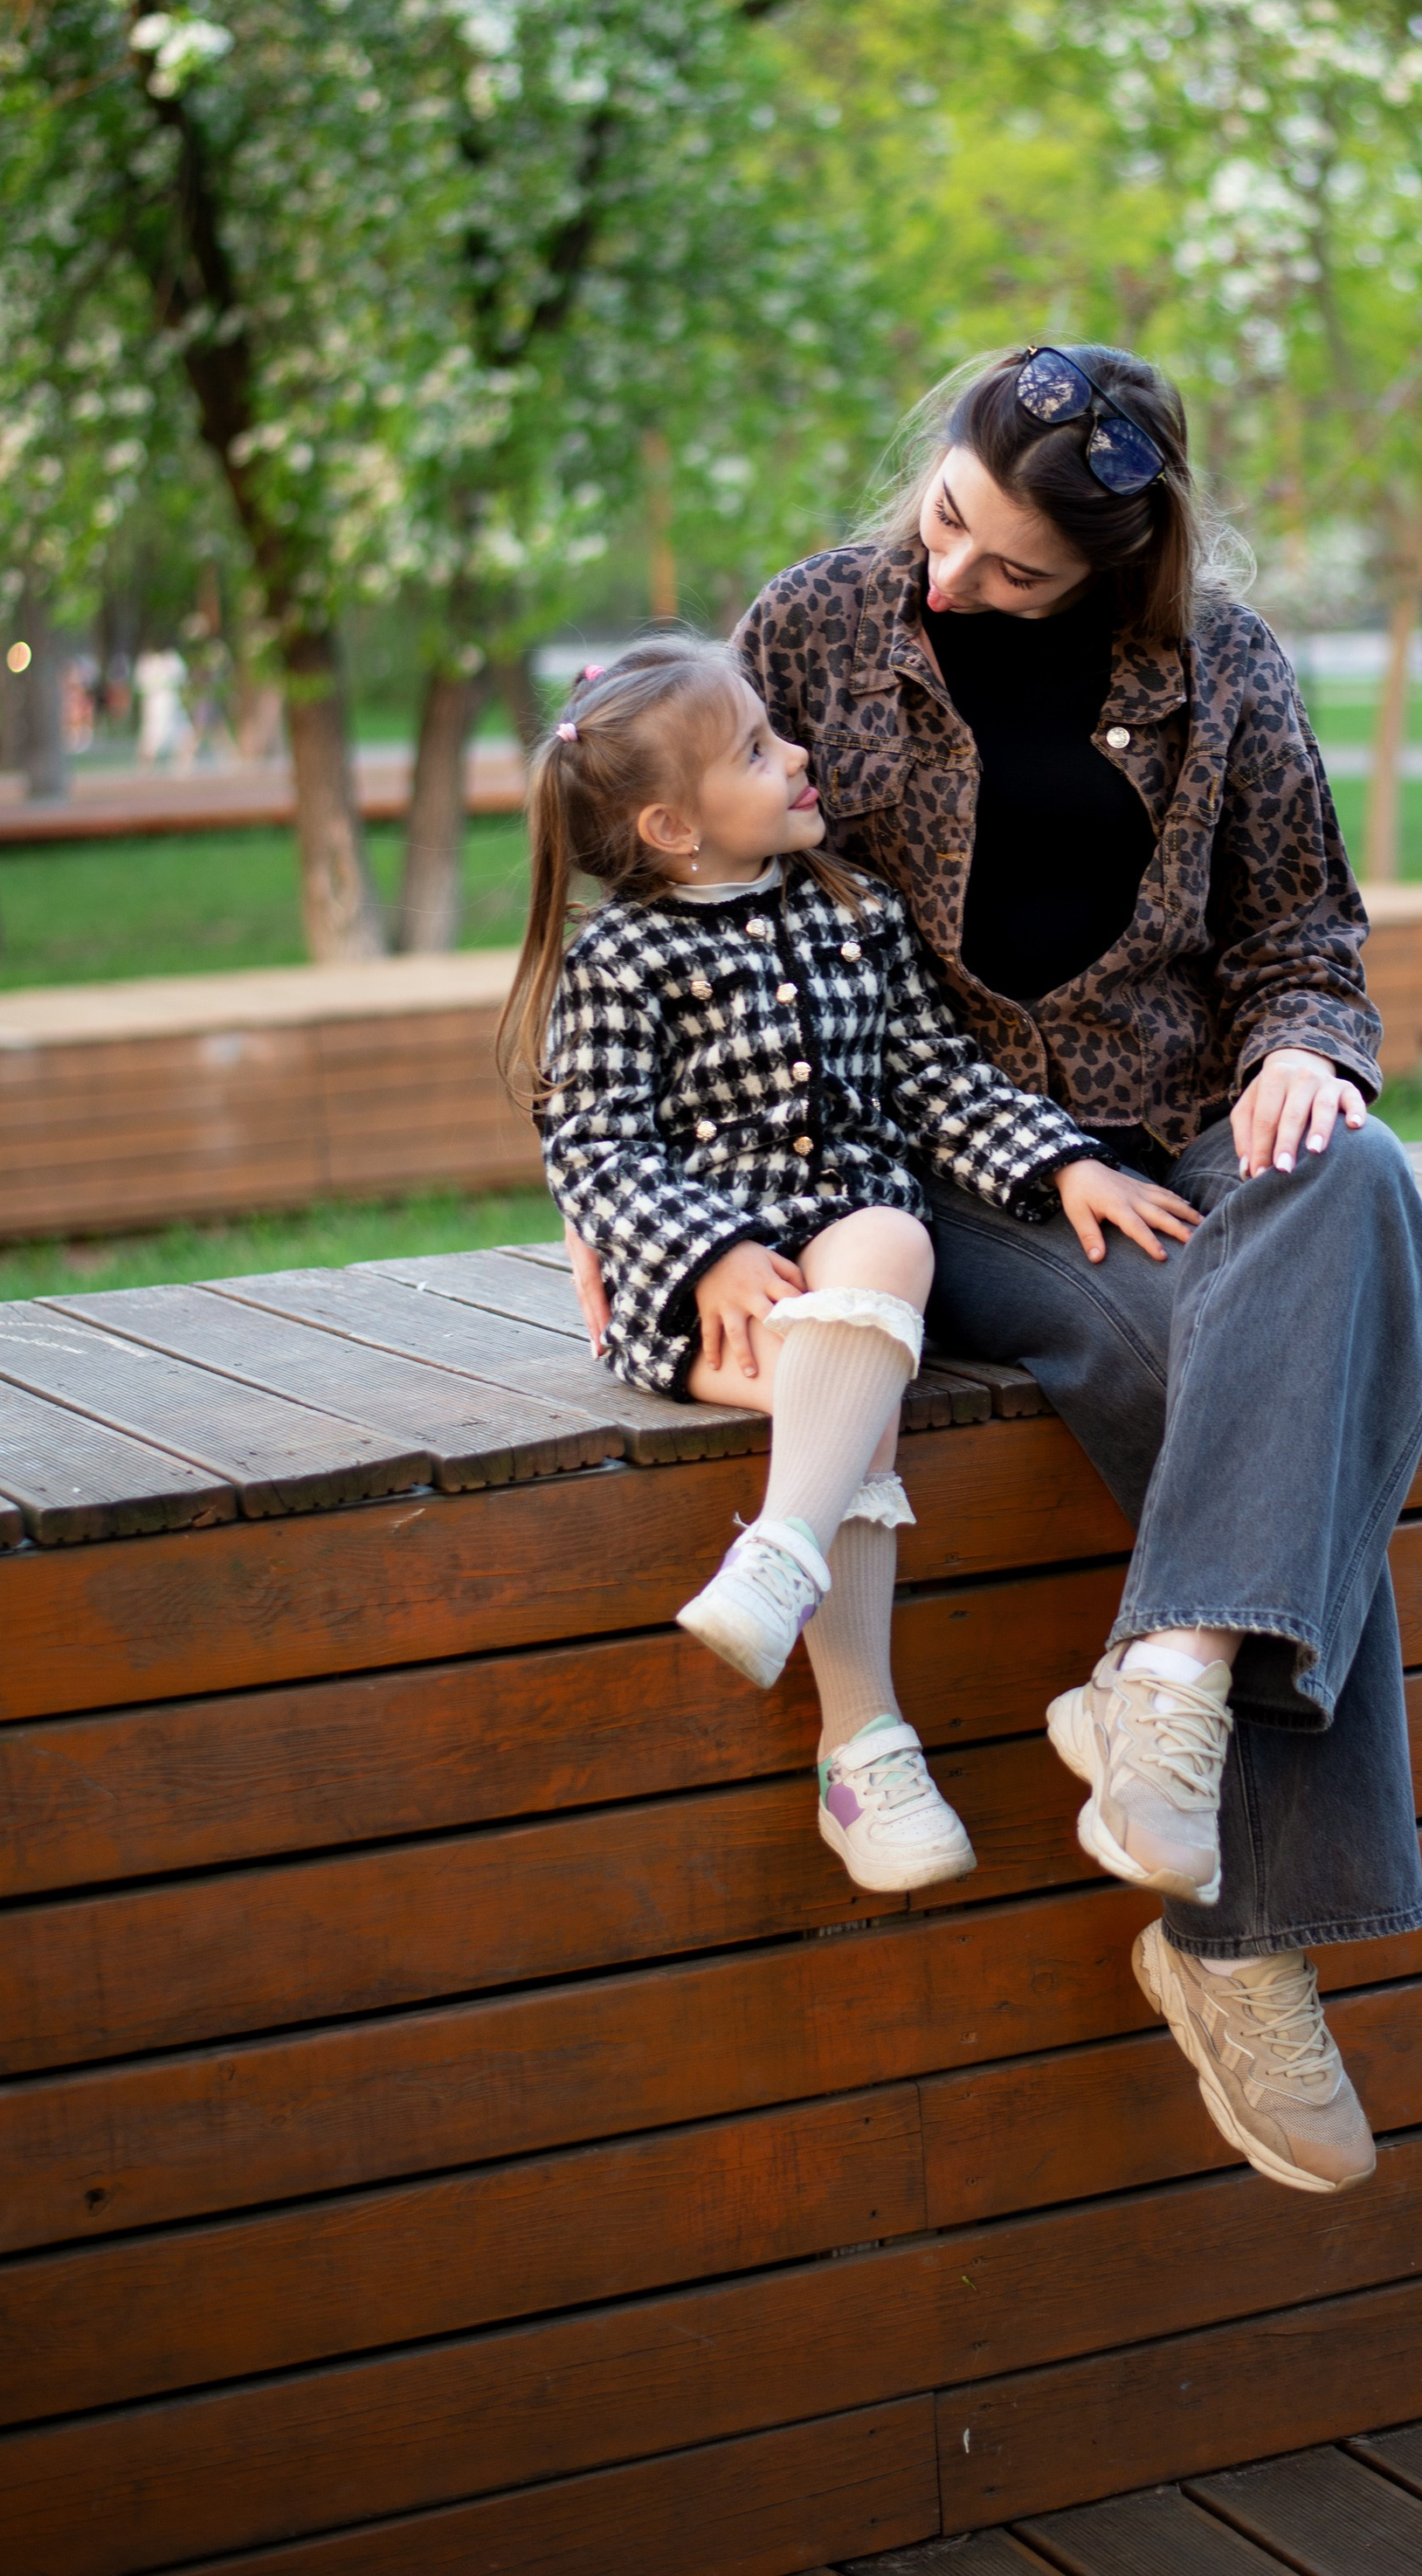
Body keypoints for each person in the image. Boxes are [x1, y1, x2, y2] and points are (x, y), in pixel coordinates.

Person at [566, 348, 1422, 2199]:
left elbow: (1300, 922)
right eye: (948, 517)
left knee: (1354, 1186)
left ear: (1118, 570)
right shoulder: (816, 622)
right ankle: (1239, 1947)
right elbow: (659, 913)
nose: (952, 573)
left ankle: (1169, 1673)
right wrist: (638, 1225)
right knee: (1268, 1383)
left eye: (1015, 570)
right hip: (945, 1159)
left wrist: (1306, 1039)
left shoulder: (1230, 665)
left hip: (1186, 1126)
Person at [500, 633, 1190, 1899]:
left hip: (849, 1259)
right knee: (847, 1389)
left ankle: (783, 1560)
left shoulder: (851, 911)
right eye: (758, 750)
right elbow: (591, 1148)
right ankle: (861, 1742)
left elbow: (932, 1080)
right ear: (669, 826)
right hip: (713, 1296)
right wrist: (705, 1252)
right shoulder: (622, 964)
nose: (797, 753)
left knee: (894, 1240)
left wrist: (1060, 1166)